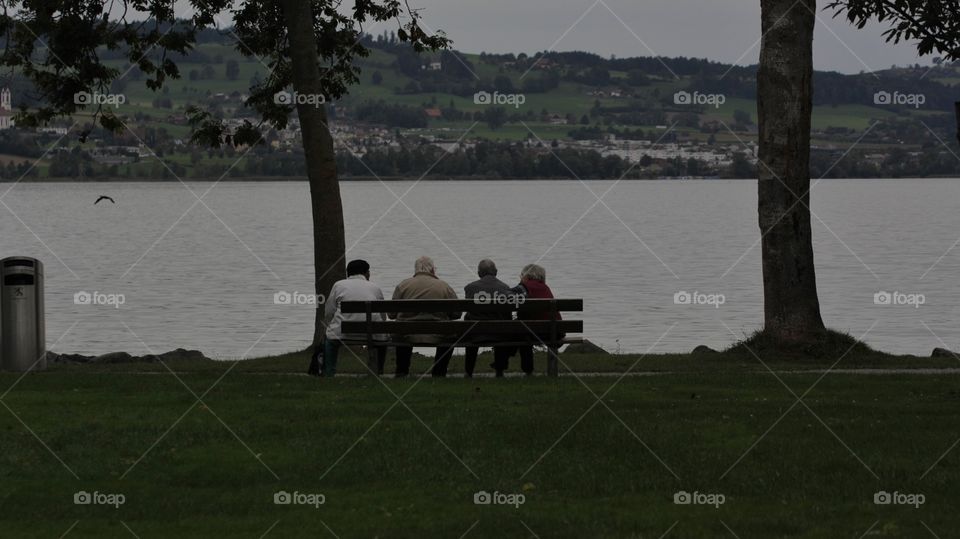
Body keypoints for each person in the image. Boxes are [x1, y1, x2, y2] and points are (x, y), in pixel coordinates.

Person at [392, 256, 461, 377]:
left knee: (401, 329)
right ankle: (439, 371)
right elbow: (456, 314)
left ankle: (402, 371)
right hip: (439, 335)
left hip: (407, 335)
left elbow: (391, 314)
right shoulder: (444, 286)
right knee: (450, 332)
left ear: (415, 270)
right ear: (433, 270)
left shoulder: (403, 285)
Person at [322, 259, 388, 377]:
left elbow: (329, 311)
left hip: (343, 332)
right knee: (382, 339)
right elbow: (383, 314)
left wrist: (329, 326)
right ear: (366, 273)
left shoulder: (339, 285)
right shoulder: (375, 287)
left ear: (348, 273)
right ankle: (378, 371)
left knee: (330, 340)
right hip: (373, 333)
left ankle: (328, 372)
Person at [463, 259, 524, 378]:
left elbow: (470, 312)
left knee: (472, 324)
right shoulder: (505, 288)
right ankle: (499, 371)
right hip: (499, 333)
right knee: (503, 325)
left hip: (475, 333)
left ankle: (468, 372)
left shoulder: (470, 288)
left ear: (479, 273)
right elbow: (508, 314)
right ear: (495, 272)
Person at [511, 263, 561, 376]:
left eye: (521, 276)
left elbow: (504, 295)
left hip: (535, 332)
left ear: (526, 276)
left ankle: (528, 371)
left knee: (522, 333)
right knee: (524, 331)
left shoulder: (524, 286)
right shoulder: (545, 287)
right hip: (555, 332)